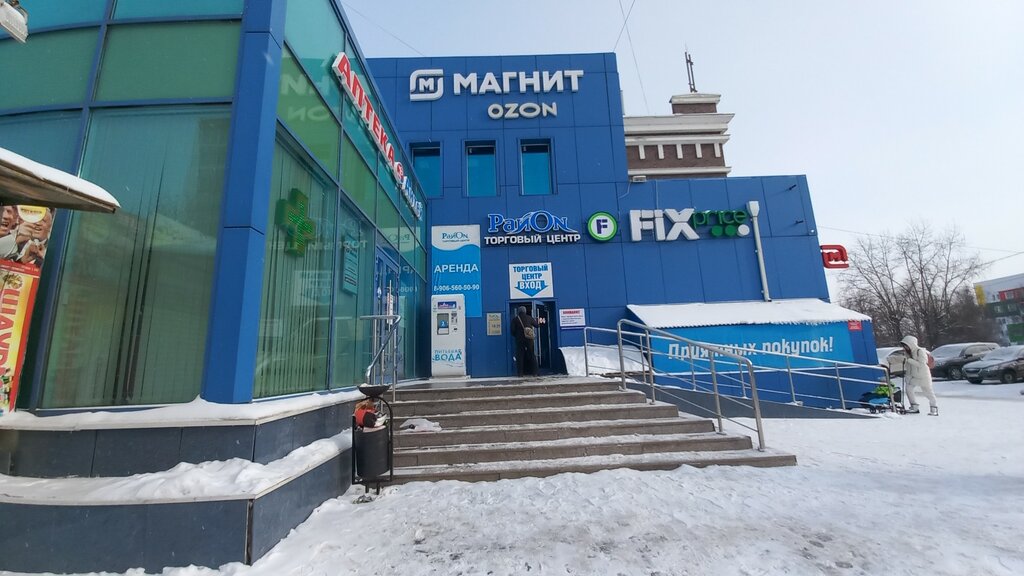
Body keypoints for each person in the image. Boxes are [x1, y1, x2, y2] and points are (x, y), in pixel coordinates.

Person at [900, 335, 938, 416]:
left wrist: (909, 360)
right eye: (904, 346)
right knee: (908, 389)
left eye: (906, 345)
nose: (905, 348)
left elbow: (922, 364)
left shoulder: (920, 351)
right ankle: (914, 406)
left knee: (928, 392)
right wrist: (907, 376)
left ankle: (934, 408)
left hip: (923, 376)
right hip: (914, 376)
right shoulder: (908, 353)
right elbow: (909, 367)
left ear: (911, 344)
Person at [511, 305, 538, 377]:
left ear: (518, 311)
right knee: (532, 355)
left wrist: (517, 335)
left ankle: (520, 373)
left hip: (519, 340)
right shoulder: (529, 318)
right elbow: (536, 325)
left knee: (520, 356)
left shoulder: (515, 319)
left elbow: (512, 331)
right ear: (525, 311)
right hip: (529, 339)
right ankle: (535, 372)